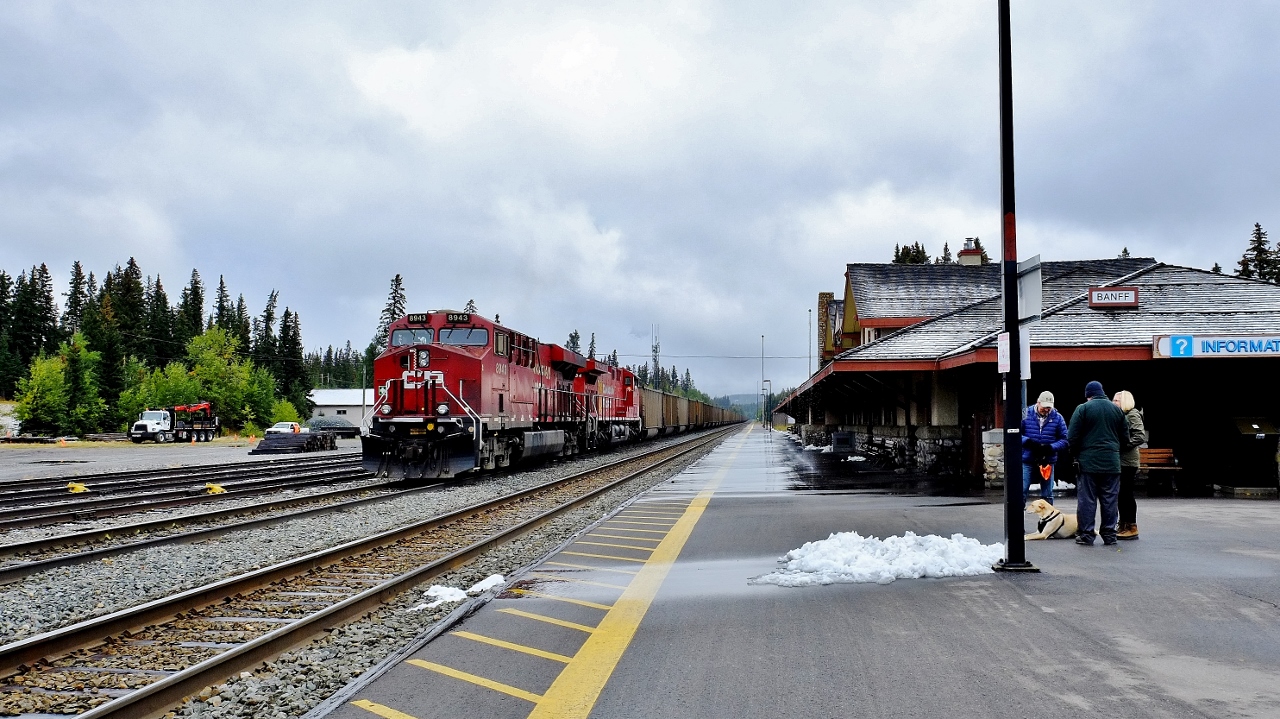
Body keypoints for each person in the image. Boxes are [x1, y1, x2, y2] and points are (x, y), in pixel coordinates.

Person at [1067, 380, 1128, 546]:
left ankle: (1086, 535)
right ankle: (1109, 534)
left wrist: (1075, 454)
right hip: (1112, 463)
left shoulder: (1083, 409)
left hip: (1087, 463)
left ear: (1088, 395)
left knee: (1087, 500)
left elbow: (1072, 437)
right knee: (1110, 499)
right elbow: (1125, 438)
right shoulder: (1117, 410)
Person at [1021, 391, 1068, 504]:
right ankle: (1018, 517)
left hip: (1047, 460)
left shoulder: (1058, 418)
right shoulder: (1025, 414)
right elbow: (1015, 434)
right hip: (1028, 458)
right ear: (1038, 403)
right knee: (1022, 489)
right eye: (1045, 407)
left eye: (1049, 407)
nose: (1047, 410)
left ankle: (1048, 520)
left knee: (1047, 493)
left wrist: (1050, 447)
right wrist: (1028, 442)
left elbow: (1065, 439)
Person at [1113, 390, 1146, 540]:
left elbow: (1139, 436)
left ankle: (1131, 525)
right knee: (1121, 494)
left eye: (1116, 400)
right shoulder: (1122, 416)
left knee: (1126, 494)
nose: (1113, 403)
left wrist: (1123, 445)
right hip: (1122, 460)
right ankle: (1123, 523)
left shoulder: (1132, 414)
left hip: (1128, 461)